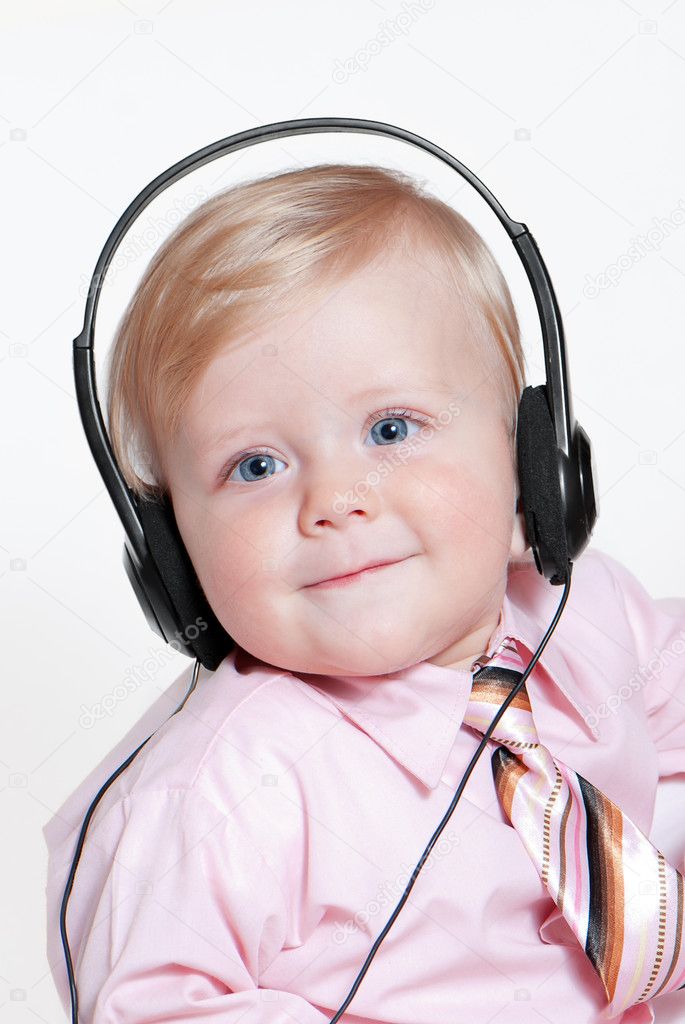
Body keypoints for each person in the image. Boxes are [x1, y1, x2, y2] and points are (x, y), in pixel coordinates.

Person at [44, 163, 685, 1022]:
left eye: (391, 429)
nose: (334, 502)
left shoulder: (601, 620)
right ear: (172, 559)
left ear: (535, 469)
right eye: (255, 466)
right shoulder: (214, 795)